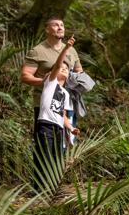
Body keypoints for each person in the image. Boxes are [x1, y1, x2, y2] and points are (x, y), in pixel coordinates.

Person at [31, 35, 80, 190]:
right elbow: (58, 64)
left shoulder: (65, 93)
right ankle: (38, 189)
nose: (64, 70)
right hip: (45, 124)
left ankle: (50, 189)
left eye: (67, 69)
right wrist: (66, 48)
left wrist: (71, 128)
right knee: (43, 156)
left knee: (55, 159)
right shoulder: (50, 83)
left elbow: (63, 115)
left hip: (58, 128)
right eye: (62, 69)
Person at [21, 17, 83, 128]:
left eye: (62, 25)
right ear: (47, 30)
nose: (60, 28)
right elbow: (25, 76)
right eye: (55, 25)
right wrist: (44, 81)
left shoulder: (71, 50)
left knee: (66, 140)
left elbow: (79, 73)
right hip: (45, 104)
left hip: (67, 103)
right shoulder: (38, 51)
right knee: (45, 140)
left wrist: (78, 83)